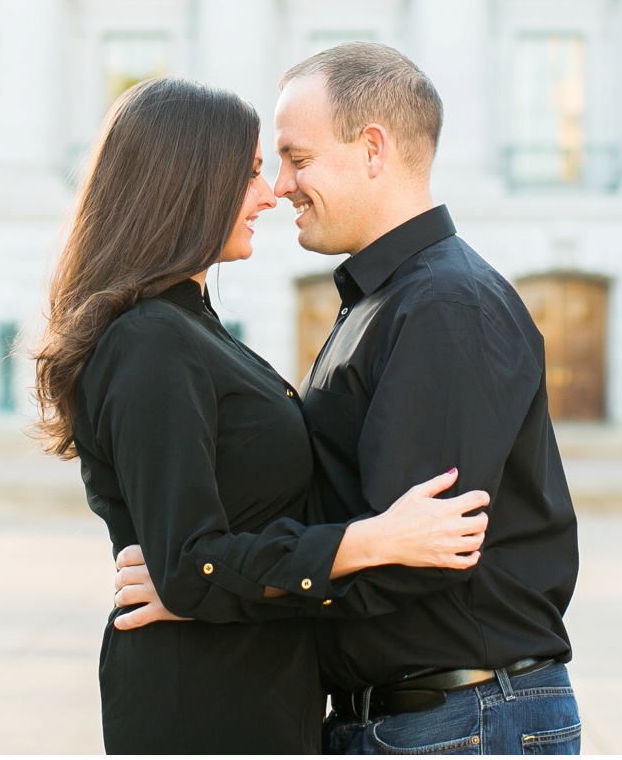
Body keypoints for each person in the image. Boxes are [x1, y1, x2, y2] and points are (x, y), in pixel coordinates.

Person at [113, 43, 583, 755]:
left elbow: (411, 553)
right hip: (427, 718)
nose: (281, 185)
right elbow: (366, 526)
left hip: (460, 718)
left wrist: (209, 586)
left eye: (297, 158)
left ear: (372, 150)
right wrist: (208, 570)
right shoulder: (387, 300)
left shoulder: (443, 305)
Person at [32, 75, 492, 754]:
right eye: (248, 173)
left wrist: (202, 583)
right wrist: (378, 540)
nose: (270, 193)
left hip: (255, 683)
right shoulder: (152, 339)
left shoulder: (192, 330)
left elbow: (193, 568)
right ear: (188, 183)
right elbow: (191, 564)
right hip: (208, 699)